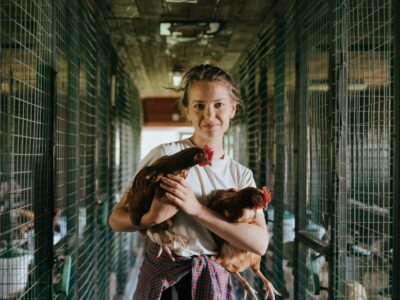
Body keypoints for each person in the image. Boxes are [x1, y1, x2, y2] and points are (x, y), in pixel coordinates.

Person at [108, 64, 269, 299]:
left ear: (233, 109)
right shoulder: (165, 155)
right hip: (164, 271)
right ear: (187, 110)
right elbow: (116, 219)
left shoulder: (241, 175)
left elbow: (260, 243)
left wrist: (196, 209)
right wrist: (151, 218)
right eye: (199, 106)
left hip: (212, 273)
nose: (209, 115)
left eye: (219, 105)